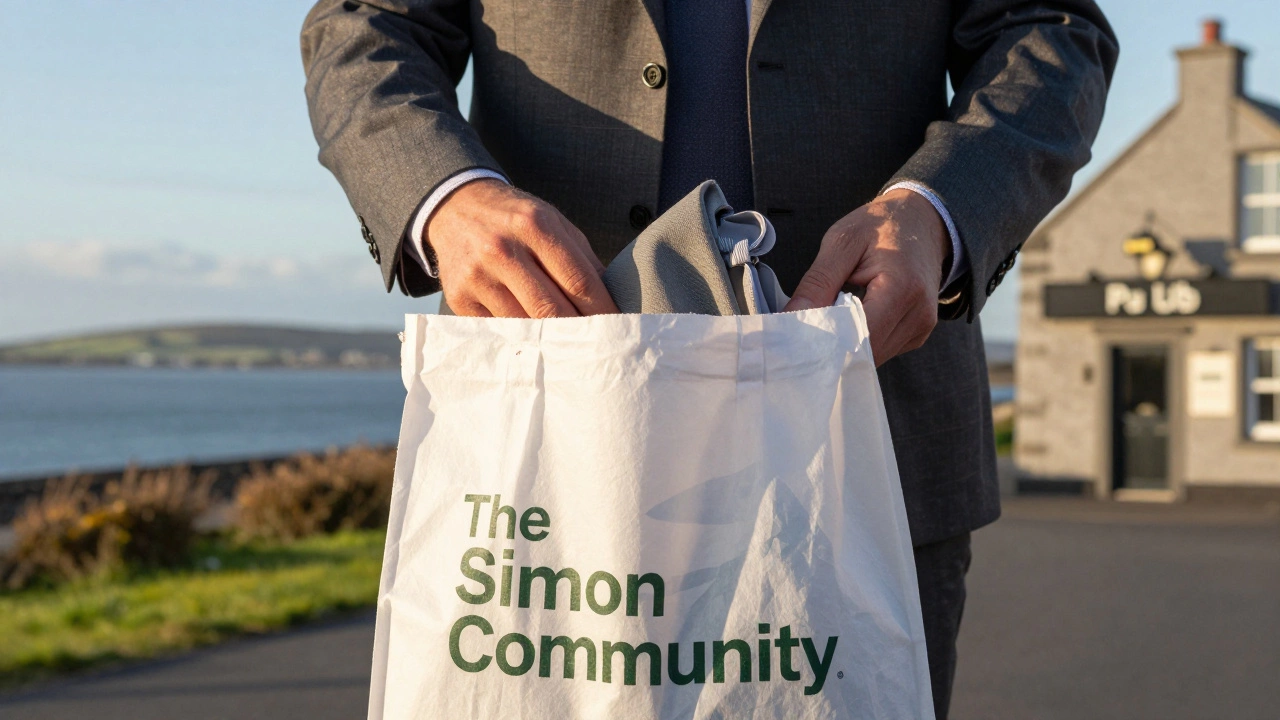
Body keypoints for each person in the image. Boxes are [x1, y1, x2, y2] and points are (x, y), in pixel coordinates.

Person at [301, 2, 1117, 716]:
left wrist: (937, 210)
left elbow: (1050, 30)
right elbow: (365, 24)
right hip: (544, 446)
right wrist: (447, 195)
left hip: (869, 421)